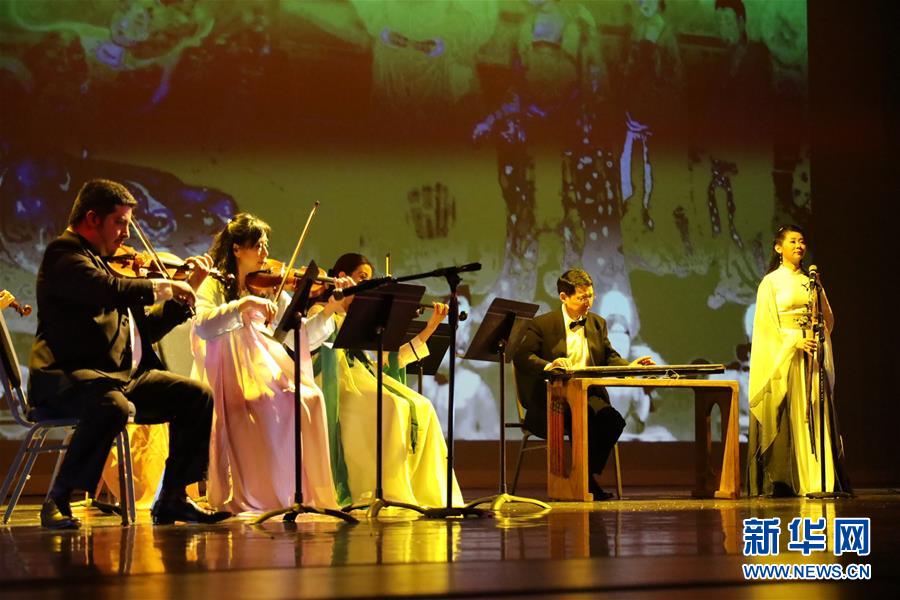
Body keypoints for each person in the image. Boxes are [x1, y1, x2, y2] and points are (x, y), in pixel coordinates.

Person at [27, 178, 230, 529]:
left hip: (116, 379)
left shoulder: (104, 262)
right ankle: (59, 497)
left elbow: (145, 330)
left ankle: (173, 498)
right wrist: (163, 286)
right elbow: (109, 289)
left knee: (196, 396)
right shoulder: (65, 255)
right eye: (120, 222)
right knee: (111, 405)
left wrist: (189, 288)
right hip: (69, 381)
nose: (126, 233)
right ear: (93, 218)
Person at [190, 213, 350, 513]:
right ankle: (263, 494)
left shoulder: (266, 286)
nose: (265, 253)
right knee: (273, 404)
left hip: (262, 365)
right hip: (227, 367)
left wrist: (330, 309)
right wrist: (243, 304)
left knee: (311, 398)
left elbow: (298, 337)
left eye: (266, 245)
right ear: (237, 249)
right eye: (258, 246)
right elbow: (202, 325)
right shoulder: (213, 283)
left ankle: (292, 493)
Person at [311, 253, 463, 509]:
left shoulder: (363, 317)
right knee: (392, 405)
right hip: (336, 383)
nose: (367, 284)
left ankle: (427, 493)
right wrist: (342, 308)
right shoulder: (323, 311)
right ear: (342, 277)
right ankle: (389, 492)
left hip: (364, 378)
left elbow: (387, 361)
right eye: (362, 278)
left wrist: (430, 328)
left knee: (423, 406)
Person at [513, 268, 653, 500]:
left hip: (588, 395)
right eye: (582, 298)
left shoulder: (597, 323)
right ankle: (583, 483)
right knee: (583, 420)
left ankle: (584, 476)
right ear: (564, 297)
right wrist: (549, 366)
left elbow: (609, 356)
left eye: (591, 296)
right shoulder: (542, 324)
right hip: (553, 399)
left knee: (613, 421)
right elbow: (522, 356)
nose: (588, 302)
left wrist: (630, 367)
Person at [748, 225, 850, 496]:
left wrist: (817, 337)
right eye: (792, 241)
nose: (799, 246)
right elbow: (765, 326)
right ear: (778, 248)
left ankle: (820, 479)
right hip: (787, 356)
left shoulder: (810, 281)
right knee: (792, 413)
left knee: (815, 409)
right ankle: (790, 479)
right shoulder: (771, 282)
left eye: (802, 241)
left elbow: (827, 318)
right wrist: (793, 341)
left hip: (811, 353)